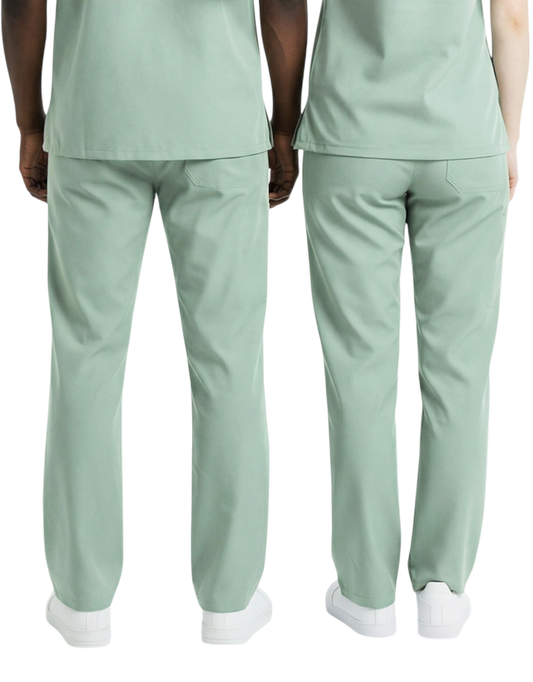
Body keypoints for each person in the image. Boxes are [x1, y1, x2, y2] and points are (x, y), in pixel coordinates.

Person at [1, 0, 529, 650]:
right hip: (226, 121)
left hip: (93, 114)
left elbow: (23, 4)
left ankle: (82, 601)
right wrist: (281, 125)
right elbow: (283, 5)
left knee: (85, 361)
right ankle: (233, 602)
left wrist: (31, 122)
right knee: (232, 365)